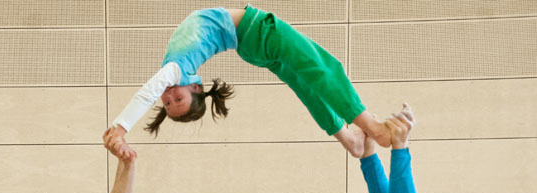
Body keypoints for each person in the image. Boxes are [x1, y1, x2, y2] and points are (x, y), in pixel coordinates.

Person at [110, 5, 394, 159]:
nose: (169, 96)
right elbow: (147, 93)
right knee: (323, 68)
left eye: (169, 102)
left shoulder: (179, 69)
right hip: (257, 33)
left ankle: (348, 139)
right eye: (178, 100)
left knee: (304, 84)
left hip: (251, 45)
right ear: (195, 87)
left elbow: (154, 93)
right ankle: (372, 128)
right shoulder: (177, 70)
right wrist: (121, 128)